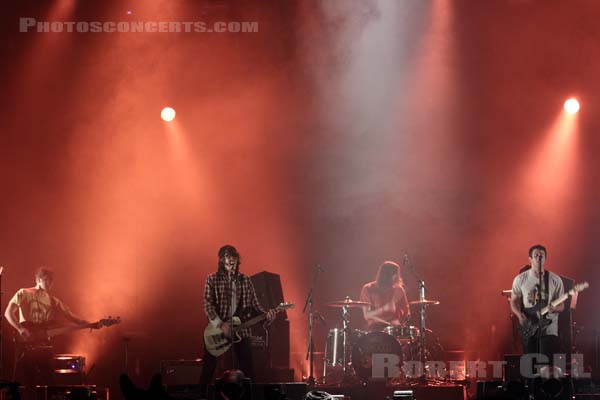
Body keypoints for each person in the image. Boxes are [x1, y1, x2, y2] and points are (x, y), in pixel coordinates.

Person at [199, 245, 275, 385]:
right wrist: (221, 325)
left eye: (233, 258)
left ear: (237, 260)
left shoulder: (245, 280)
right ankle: (202, 395)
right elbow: (207, 305)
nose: (231, 261)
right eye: (227, 258)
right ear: (222, 261)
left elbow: (255, 305)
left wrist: (267, 315)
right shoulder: (212, 279)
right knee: (208, 369)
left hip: (242, 330)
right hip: (217, 331)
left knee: (249, 371)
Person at [4, 267, 89, 388]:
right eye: (47, 280)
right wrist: (20, 329)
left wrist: (89, 324)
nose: (50, 284)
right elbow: (8, 313)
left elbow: (70, 316)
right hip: (26, 345)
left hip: (43, 345)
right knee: (28, 381)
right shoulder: (23, 292)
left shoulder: (53, 300)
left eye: (51, 281)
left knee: (50, 381)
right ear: (39, 280)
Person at [510, 244, 565, 373]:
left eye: (542, 255)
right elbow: (514, 302)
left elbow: (562, 306)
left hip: (549, 330)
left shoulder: (555, 280)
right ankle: (530, 392)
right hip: (530, 327)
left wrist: (554, 308)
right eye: (536, 255)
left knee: (547, 368)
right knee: (530, 367)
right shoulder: (520, 279)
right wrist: (520, 315)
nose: (539, 258)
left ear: (545, 259)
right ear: (530, 259)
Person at [360, 261, 410, 331]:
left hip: (394, 329)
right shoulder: (368, 289)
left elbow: (406, 313)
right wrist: (384, 309)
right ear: (384, 276)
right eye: (392, 275)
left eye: (395, 275)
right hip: (375, 329)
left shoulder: (398, 289)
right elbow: (367, 315)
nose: (394, 278)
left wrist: (399, 321)